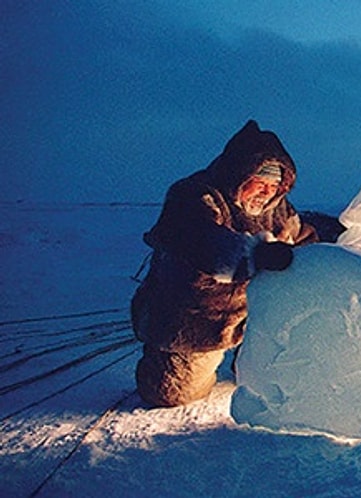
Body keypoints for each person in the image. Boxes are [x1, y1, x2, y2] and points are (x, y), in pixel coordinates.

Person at [131, 120, 321, 407]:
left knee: (268, 379)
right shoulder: (194, 196)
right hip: (195, 317)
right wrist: (256, 254)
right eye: (260, 182)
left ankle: (247, 360)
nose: (267, 192)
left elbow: (303, 238)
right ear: (240, 175)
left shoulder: (279, 209)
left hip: (253, 315)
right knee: (172, 395)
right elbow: (204, 242)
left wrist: (323, 257)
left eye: (274, 185)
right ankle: (163, 366)